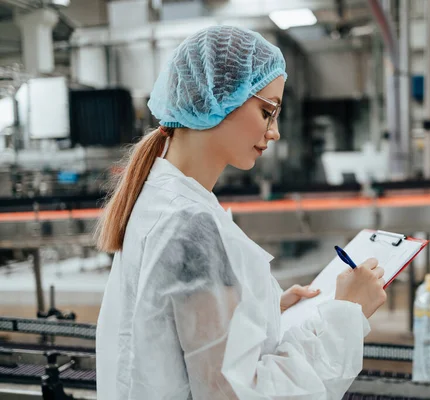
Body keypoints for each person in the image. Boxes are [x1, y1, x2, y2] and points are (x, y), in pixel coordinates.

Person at [95, 25, 387, 400]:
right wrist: (346, 315)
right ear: (219, 98)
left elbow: (172, 331)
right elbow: (237, 393)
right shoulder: (189, 225)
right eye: (268, 111)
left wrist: (259, 310)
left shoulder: (159, 194)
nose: (275, 131)